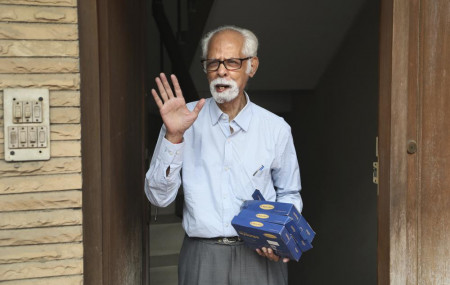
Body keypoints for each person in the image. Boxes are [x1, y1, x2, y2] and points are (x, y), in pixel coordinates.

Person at [145, 25, 302, 285]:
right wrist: (173, 137)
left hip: (259, 255)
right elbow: (159, 198)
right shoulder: (182, 120)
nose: (221, 70)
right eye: (213, 63)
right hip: (202, 256)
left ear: (252, 66)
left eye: (231, 62)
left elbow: (289, 193)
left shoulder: (276, 129)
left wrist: (280, 240)